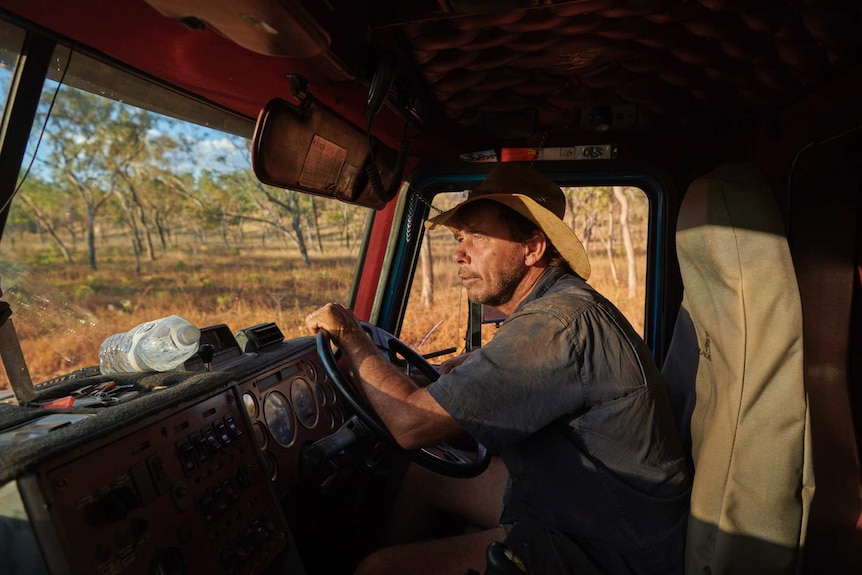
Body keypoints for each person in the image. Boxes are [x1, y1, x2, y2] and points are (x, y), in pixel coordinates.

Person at [305, 163, 691, 575]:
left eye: (478, 236)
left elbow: (410, 425)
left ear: (532, 248)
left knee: (377, 569)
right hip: (585, 501)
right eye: (459, 236)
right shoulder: (560, 307)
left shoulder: (553, 325)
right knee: (425, 476)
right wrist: (464, 371)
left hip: (606, 546)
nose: (458, 252)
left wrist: (349, 332)